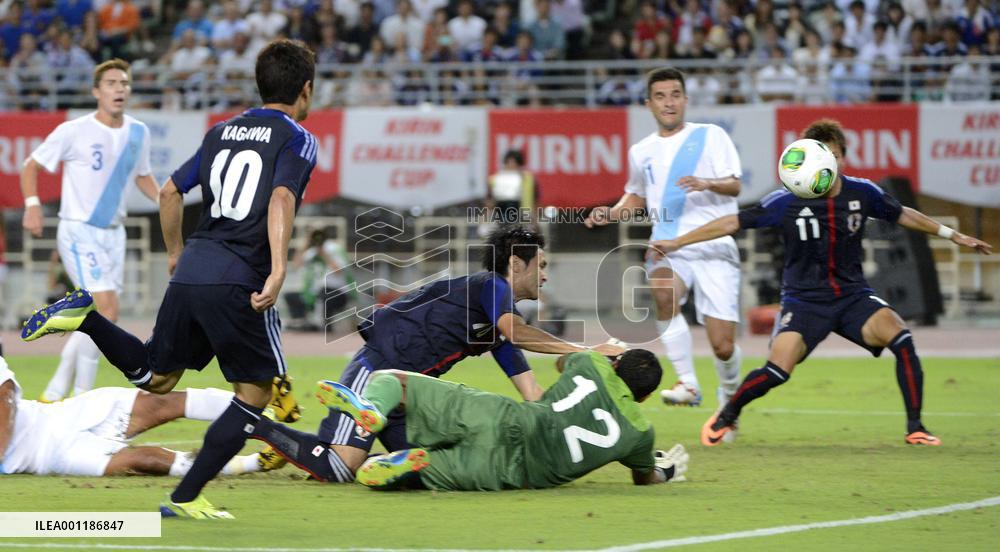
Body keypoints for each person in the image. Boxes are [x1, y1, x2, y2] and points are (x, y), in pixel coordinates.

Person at [21, 39, 318, 519]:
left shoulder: (222, 130)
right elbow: (282, 198)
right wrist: (280, 266)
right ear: (305, 90)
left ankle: (87, 319)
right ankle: (186, 497)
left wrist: (177, 252)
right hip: (239, 277)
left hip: (194, 268)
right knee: (256, 395)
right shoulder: (298, 137)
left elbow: (169, 191)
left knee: (157, 377)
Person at [649, 119, 993, 447]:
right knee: (777, 371)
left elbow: (903, 213)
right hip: (804, 302)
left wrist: (953, 234)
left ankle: (915, 429)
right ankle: (728, 413)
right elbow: (730, 222)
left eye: (833, 156)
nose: (826, 164)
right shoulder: (786, 200)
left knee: (901, 338)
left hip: (853, 297)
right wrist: (679, 242)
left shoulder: (862, 193)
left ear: (841, 158)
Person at [272, 225, 624, 482]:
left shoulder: (496, 327)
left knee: (429, 466)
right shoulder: (491, 287)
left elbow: (533, 396)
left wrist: (582, 433)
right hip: (378, 369)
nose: (546, 276)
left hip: (407, 395)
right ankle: (254, 423)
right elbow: (516, 332)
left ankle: (313, 449)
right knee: (338, 467)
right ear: (517, 264)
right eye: (542, 265)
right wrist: (588, 350)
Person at [254, 349, 688, 490]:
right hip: (516, 471)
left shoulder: (593, 364)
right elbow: (645, 477)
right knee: (423, 472)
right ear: (646, 395)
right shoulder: (639, 431)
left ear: (615, 366)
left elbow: (561, 365)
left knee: (395, 380)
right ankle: (388, 467)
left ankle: (376, 410)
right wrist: (663, 471)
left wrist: (603, 355)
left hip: (504, 418)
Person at [584, 67, 745, 417]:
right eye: (660, 96)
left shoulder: (711, 135)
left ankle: (730, 396)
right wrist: (609, 215)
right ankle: (688, 383)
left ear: (686, 100)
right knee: (662, 292)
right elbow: (637, 198)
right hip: (667, 243)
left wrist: (707, 182)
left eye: (674, 95)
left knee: (722, 345)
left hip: (714, 245)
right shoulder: (641, 151)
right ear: (649, 104)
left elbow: (735, 185)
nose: (668, 103)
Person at [21, 59, 160, 404]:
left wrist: (165, 200)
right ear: (96, 91)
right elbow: (31, 165)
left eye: (125, 83)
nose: (120, 89)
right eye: (112, 83)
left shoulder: (138, 132)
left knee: (99, 314)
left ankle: (55, 393)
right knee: (105, 308)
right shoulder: (74, 130)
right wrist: (33, 204)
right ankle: (82, 397)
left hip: (115, 234)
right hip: (79, 230)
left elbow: (142, 175)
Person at [0, 356, 293, 478]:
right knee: (142, 462)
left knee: (161, 404)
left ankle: (266, 407)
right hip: (49, 455)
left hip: (60, 416)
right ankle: (255, 463)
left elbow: (5, 392)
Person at [485, 149, 539, 225]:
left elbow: (535, 200)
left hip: (525, 216)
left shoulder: (528, 179)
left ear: (519, 165)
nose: (511, 166)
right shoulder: (496, 179)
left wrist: (534, 219)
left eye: (514, 163)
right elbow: (489, 201)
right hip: (501, 217)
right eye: (509, 163)